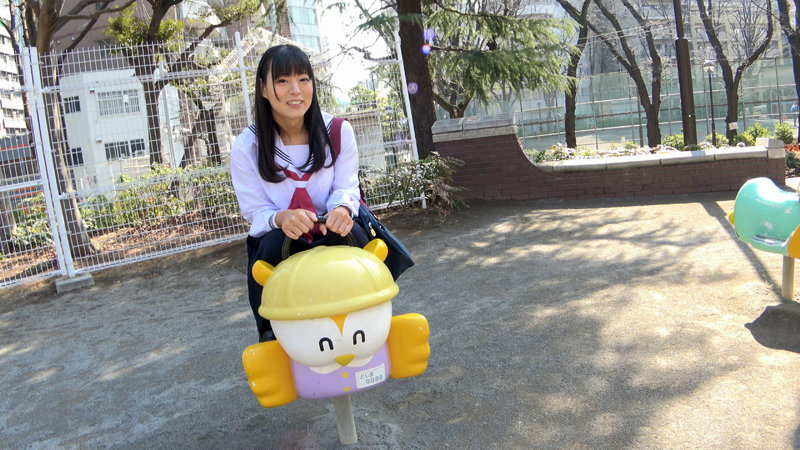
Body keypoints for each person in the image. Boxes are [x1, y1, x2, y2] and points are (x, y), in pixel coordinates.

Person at [230, 44, 371, 343]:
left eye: (303, 79)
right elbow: (254, 211)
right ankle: (274, 339)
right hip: (282, 236)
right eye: (282, 81)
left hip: (330, 228)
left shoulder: (337, 131)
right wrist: (282, 218)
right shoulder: (247, 147)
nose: (296, 90)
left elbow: (346, 187)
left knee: (354, 238)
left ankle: (370, 327)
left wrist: (341, 210)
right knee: (271, 250)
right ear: (264, 89)